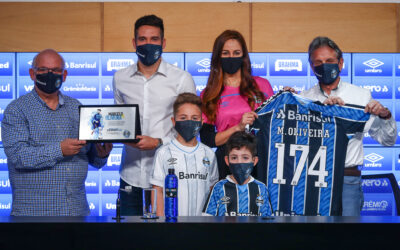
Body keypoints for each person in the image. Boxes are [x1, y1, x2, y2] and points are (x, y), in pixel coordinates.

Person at [1, 49, 113, 216]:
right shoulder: (17, 110)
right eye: (43, 70)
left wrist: (101, 155)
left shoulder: (77, 107)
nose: (50, 74)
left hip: (77, 211)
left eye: (56, 70)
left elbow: (92, 160)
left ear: (64, 75)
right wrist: (59, 150)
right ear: (32, 74)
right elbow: (18, 157)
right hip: (33, 214)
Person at [299, 36, 397, 215]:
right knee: (313, 240)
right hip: (312, 181)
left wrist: (385, 116)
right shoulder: (304, 99)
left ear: (341, 63)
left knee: (349, 240)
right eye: (318, 62)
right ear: (312, 67)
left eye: (329, 61)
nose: (324, 66)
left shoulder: (361, 95)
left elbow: (388, 141)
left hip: (348, 181)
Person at [113, 14, 196, 215]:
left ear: (163, 43)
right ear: (134, 43)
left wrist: (158, 142)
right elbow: (119, 122)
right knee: (129, 239)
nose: (148, 44)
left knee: (167, 239)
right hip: (130, 174)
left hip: (169, 175)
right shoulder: (120, 78)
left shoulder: (181, 79)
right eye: (142, 39)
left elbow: (191, 130)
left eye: (154, 39)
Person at [200, 30, 274, 180]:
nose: (231, 57)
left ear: (244, 56)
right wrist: (238, 128)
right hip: (227, 162)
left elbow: (276, 125)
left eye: (236, 52)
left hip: (259, 162)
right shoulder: (209, 94)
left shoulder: (262, 85)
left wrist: (288, 97)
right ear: (218, 57)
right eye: (225, 53)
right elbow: (208, 139)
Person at [150, 93, 218, 216]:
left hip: (202, 225)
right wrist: (160, 224)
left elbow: (212, 190)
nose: (189, 122)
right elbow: (158, 190)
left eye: (194, 118)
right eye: (183, 118)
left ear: (202, 122)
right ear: (174, 121)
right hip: (173, 225)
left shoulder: (209, 153)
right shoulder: (163, 152)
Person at [202, 131, 272, 216]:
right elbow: (208, 219)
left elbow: (268, 221)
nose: (239, 162)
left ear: (254, 161)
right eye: (234, 157)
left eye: (245, 158)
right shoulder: (219, 187)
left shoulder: (261, 188)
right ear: (227, 160)